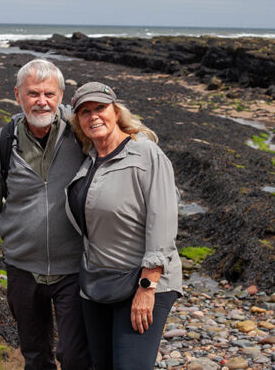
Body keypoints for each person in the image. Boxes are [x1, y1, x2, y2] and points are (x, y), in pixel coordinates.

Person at [0, 59, 91, 370]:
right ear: (17, 95)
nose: (41, 101)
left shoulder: (82, 137)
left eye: (49, 94)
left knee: (77, 357)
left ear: (61, 95)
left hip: (75, 270)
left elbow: (123, 149)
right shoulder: (0, 145)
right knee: (36, 358)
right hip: (22, 270)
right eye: (33, 93)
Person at [66, 82, 183, 369]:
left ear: (116, 112)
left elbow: (163, 222)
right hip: (98, 284)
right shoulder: (88, 160)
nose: (94, 116)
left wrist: (147, 286)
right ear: (78, 121)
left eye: (100, 108)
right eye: (85, 111)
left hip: (142, 283)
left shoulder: (145, 154)